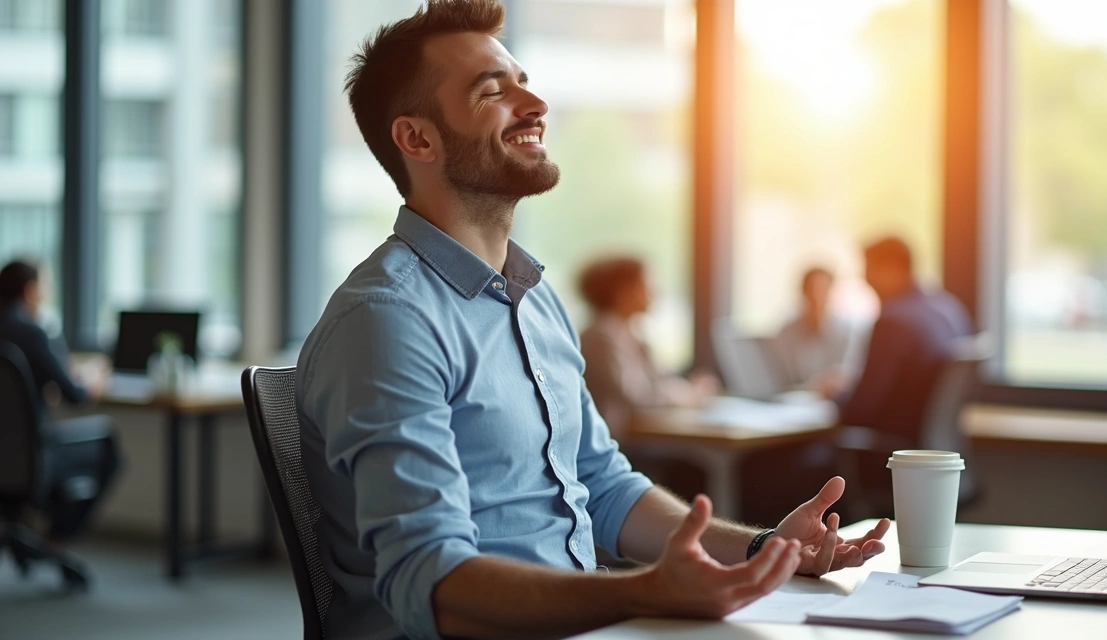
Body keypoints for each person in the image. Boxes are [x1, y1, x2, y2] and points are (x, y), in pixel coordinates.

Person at [295, 3, 889, 639]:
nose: (535, 103)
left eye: (524, 81)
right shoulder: (389, 320)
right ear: (418, 139)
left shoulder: (535, 300)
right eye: (494, 91)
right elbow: (434, 585)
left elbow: (604, 489)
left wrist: (763, 549)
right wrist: (643, 593)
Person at [0, 259, 121, 544]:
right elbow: (75, 396)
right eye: (45, 287)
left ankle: (29, 530)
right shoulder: (32, 333)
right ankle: (57, 537)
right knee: (107, 444)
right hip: (32, 456)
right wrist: (93, 379)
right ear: (30, 291)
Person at [836, 237, 973, 441]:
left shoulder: (893, 322)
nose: (865, 279)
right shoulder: (950, 308)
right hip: (937, 450)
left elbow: (860, 410)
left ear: (891, 269)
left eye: (869, 271)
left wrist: (837, 395)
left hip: (894, 452)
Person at [578, 257, 718, 438]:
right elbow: (638, 397)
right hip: (615, 439)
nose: (655, 292)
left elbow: (659, 380)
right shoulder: (600, 336)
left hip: (635, 432)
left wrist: (690, 390)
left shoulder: (630, 333)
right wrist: (688, 396)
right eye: (646, 284)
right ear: (623, 291)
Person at [769, 267, 857, 397]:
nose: (817, 296)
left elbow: (845, 376)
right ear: (803, 292)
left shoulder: (847, 332)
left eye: (823, 290)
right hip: (793, 400)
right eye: (812, 290)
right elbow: (780, 376)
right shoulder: (787, 333)